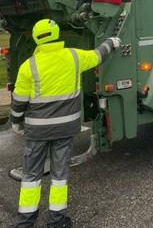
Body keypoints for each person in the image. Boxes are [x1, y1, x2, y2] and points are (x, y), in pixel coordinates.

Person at [10, 18, 121, 228]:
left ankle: (25, 222)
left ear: (36, 38)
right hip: (65, 129)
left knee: (31, 177)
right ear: (56, 33)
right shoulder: (73, 56)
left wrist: (16, 122)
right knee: (59, 176)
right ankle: (57, 221)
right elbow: (98, 55)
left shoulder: (28, 66)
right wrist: (111, 42)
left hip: (37, 132)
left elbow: (19, 101)